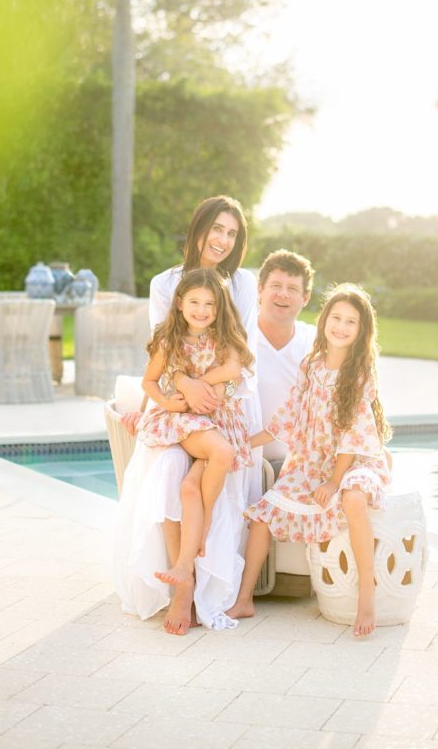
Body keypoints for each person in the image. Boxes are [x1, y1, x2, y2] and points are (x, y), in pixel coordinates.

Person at [114, 195, 260, 635]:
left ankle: (195, 581)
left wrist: (210, 389)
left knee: (198, 483)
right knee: (170, 476)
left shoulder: (242, 284)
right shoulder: (166, 284)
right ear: (198, 229)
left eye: (232, 233)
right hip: (180, 415)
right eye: (217, 228)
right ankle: (182, 587)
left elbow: (242, 360)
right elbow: (166, 350)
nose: (222, 240)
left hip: (224, 406)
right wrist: (179, 393)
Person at [227, 283, 392, 638]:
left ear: (362, 330)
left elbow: (352, 432)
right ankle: (244, 598)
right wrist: (244, 443)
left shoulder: (360, 373)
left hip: (355, 461)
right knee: (263, 513)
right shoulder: (312, 365)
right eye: (336, 318)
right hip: (313, 462)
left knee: (351, 496)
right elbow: (289, 415)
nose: (342, 327)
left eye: (351, 322)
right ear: (324, 321)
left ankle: (367, 593)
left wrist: (334, 480)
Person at [139, 268, 254, 580]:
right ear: (179, 303)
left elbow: (234, 367)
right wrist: (167, 402)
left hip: (221, 417)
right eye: (194, 302)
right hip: (188, 418)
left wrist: (197, 383)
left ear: (219, 308)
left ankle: (183, 565)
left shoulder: (223, 337)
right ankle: (201, 530)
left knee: (191, 489)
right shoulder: (169, 340)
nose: (201, 311)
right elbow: (149, 381)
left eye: (209, 304)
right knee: (222, 453)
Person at [256, 249, 316, 469]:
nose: (283, 294)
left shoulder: (316, 342)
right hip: (247, 459)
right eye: (275, 286)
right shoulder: (238, 337)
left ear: (305, 298)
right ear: (260, 289)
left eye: (292, 289)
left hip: (298, 463)